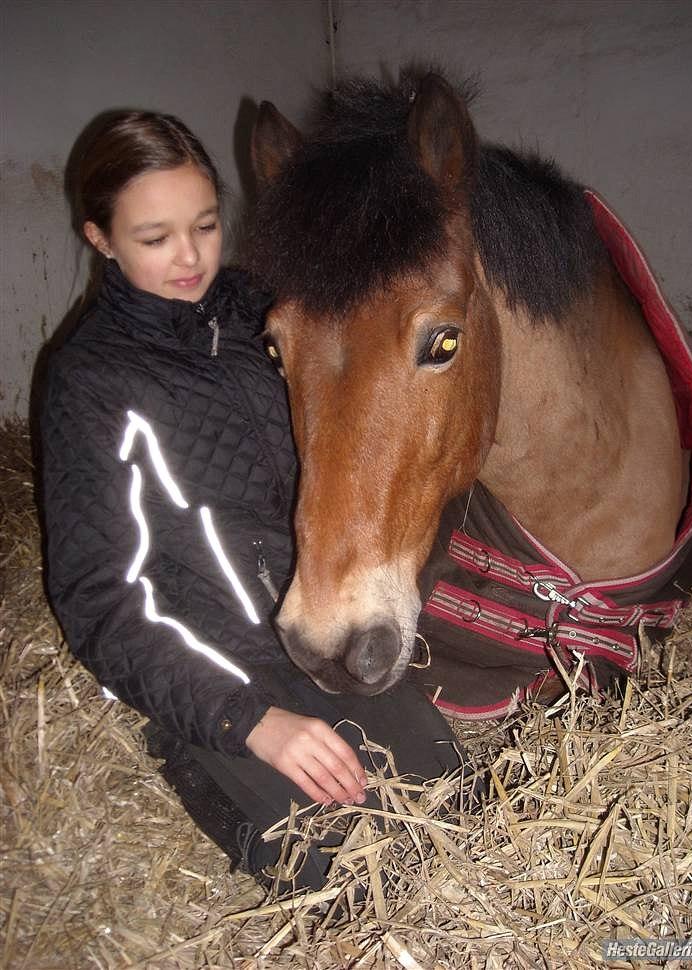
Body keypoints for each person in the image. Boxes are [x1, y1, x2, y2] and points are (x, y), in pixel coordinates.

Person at [40, 110, 465, 890]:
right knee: (345, 881)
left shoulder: (264, 317)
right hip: (217, 676)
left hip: (314, 624)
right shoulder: (92, 385)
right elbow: (98, 600)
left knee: (462, 815)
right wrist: (250, 724)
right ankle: (197, 756)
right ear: (99, 237)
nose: (190, 257)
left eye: (205, 225)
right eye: (154, 236)